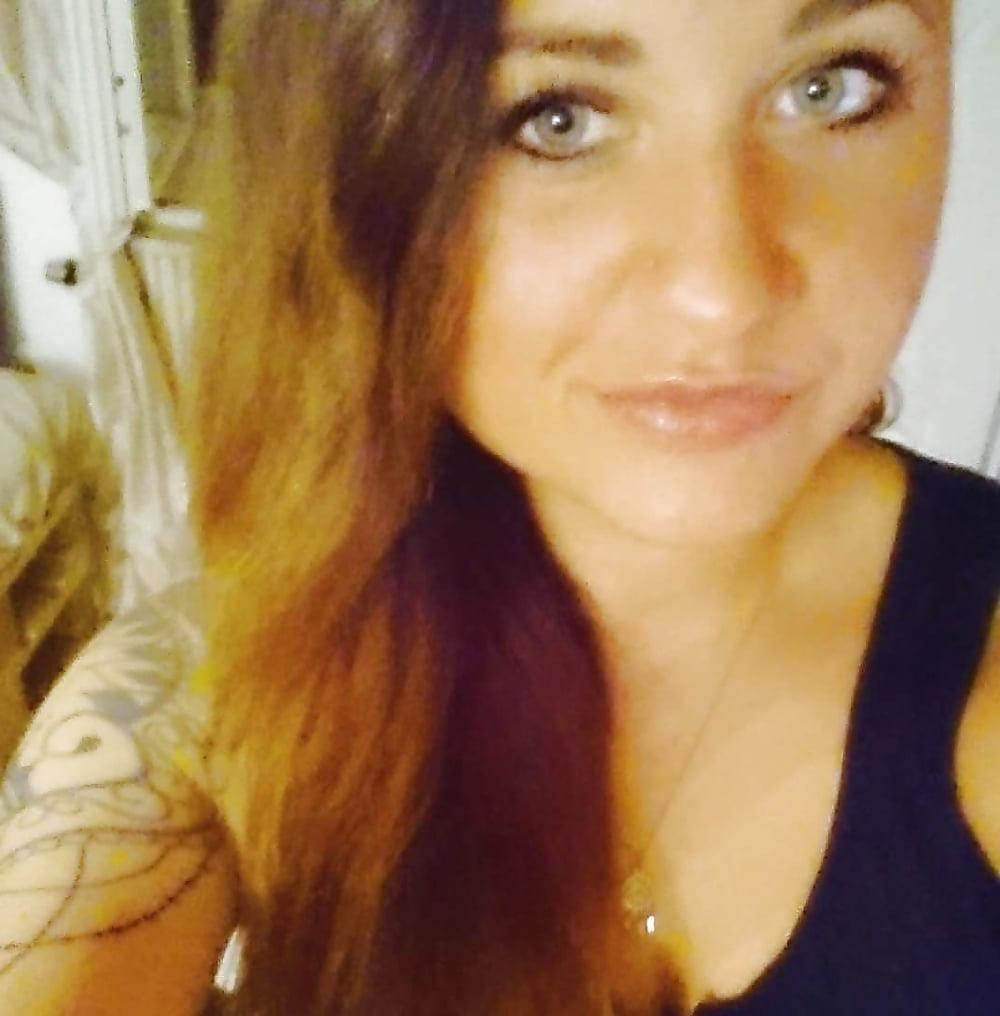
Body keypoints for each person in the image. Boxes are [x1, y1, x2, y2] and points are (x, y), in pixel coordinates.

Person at [1, 0, 997, 1012]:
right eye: (555, 118)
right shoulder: (206, 688)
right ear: (347, 162)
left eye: (830, 88)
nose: (724, 291)